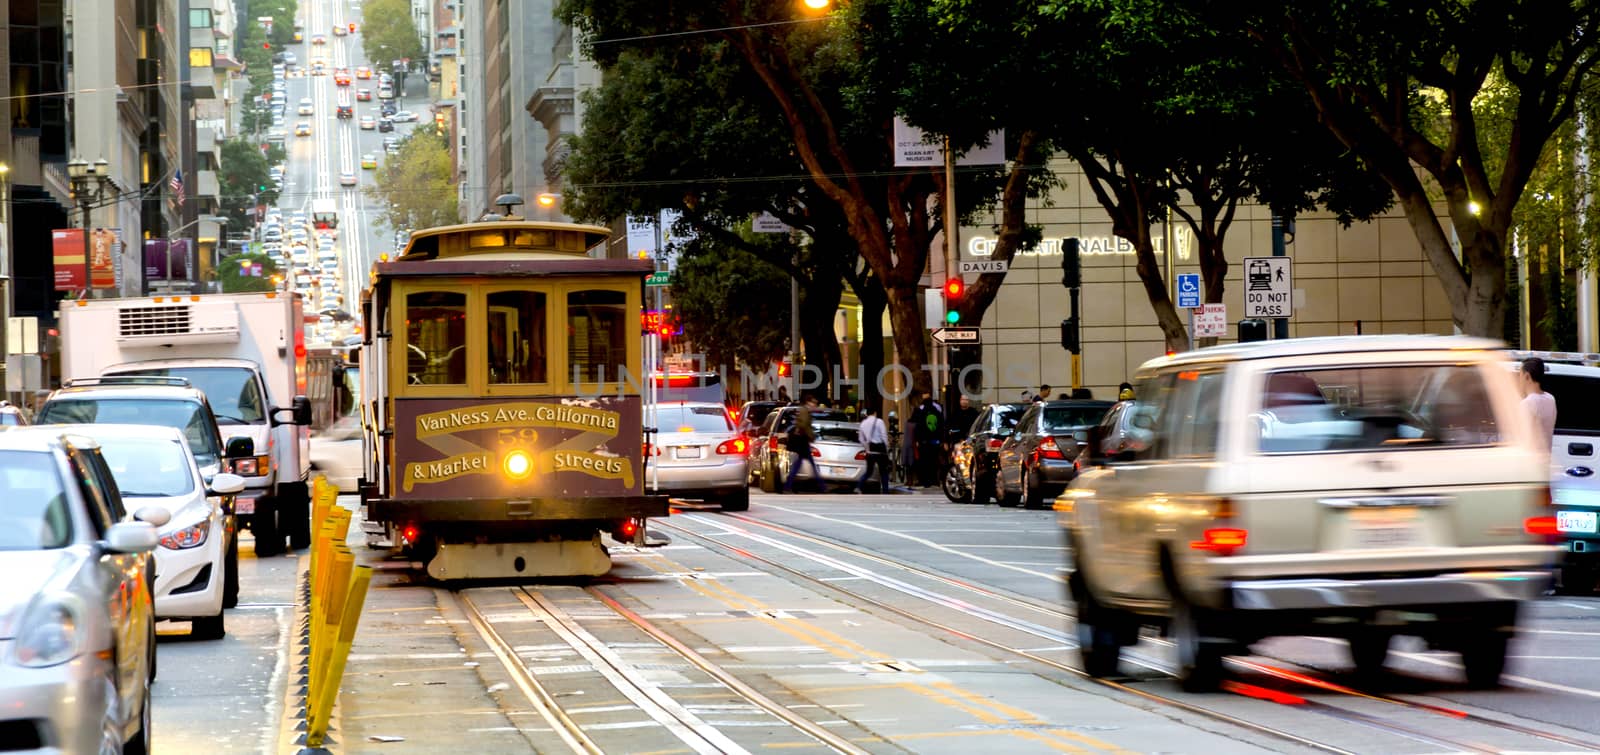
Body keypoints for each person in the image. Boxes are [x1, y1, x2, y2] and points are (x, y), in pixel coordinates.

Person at [1519, 356, 1557, 456]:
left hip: (1529, 464)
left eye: (1520, 374)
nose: (1519, 379)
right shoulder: (1551, 399)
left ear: (1527, 376)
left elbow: (1523, 438)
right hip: (1545, 461)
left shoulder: (1527, 404)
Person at [783, 395, 820, 492]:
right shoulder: (805, 411)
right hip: (802, 441)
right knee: (807, 465)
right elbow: (804, 425)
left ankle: (788, 486)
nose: (814, 405)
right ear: (808, 402)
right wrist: (811, 436)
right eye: (814, 403)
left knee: (799, 464)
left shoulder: (805, 411)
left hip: (803, 441)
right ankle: (821, 486)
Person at [910, 392, 944, 487]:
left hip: (924, 440)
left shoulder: (921, 409)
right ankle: (934, 480)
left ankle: (925, 480)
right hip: (934, 439)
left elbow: (916, 424)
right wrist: (941, 438)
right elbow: (941, 424)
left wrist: (917, 439)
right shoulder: (937, 409)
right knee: (934, 460)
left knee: (924, 461)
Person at [856, 405, 890, 493]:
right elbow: (884, 436)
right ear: (875, 413)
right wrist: (886, 447)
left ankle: (859, 486)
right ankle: (885, 491)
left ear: (866, 414)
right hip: (880, 450)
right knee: (883, 471)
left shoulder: (863, 423)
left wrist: (867, 448)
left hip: (870, 451)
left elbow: (861, 439)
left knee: (868, 472)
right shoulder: (879, 422)